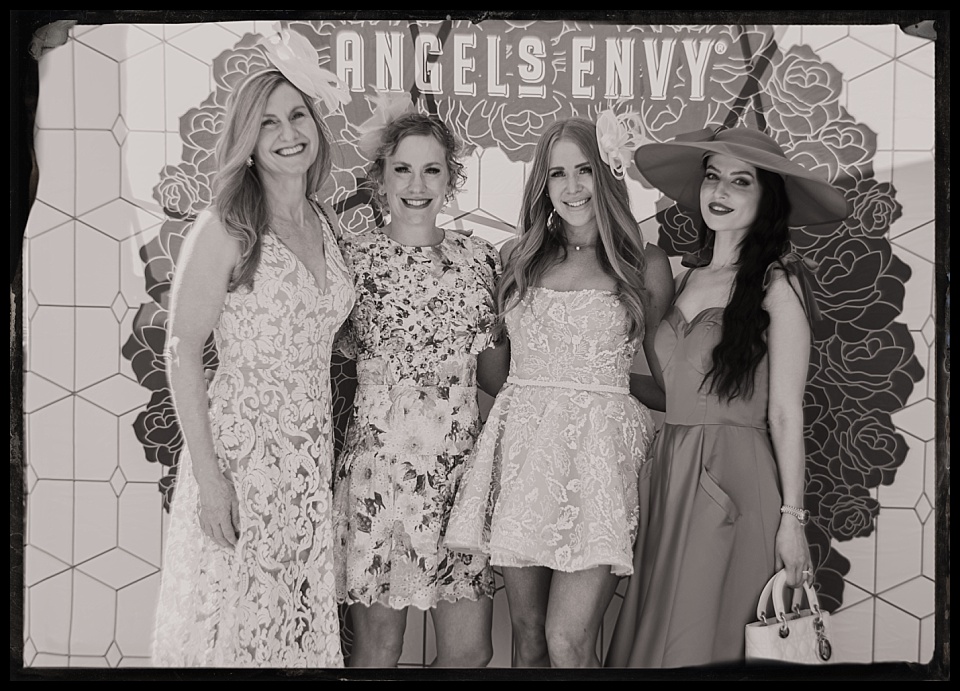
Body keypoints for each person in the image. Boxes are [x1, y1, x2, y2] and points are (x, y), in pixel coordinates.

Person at [605, 126, 851, 668]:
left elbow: (787, 414)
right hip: (670, 470)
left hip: (733, 479)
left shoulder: (777, 286)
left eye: (740, 181)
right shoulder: (685, 277)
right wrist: (585, 382)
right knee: (660, 628)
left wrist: (793, 521)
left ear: (767, 198)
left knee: (698, 640)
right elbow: (675, 393)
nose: (720, 191)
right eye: (713, 176)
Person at [151, 27, 353, 668]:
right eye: (268, 123)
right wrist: (212, 482)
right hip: (241, 454)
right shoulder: (226, 226)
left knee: (290, 623)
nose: (288, 132)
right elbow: (181, 352)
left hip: (307, 457)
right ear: (248, 139)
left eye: (297, 115)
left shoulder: (325, 222)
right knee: (234, 625)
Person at [444, 114, 675, 668]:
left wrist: (603, 391)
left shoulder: (646, 265)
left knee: (568, 641)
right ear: (543, 185)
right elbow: (496, 375)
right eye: (557, 174)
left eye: (585, 170)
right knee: (526, 638)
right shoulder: (516, 259)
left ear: (608, 176)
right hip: (524, 456)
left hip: (597, 465)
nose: (572, 187)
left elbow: (668, 386)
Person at [333, 106, 502, 667]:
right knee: (379, 651)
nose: (416, 185)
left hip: (458, 480)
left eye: (432, 170)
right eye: (402, 169)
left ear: (451, 178)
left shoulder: (479, 261)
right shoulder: (352, 263)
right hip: (380, 484)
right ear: (380, 176)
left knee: (470, 655)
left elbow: (495, 379)